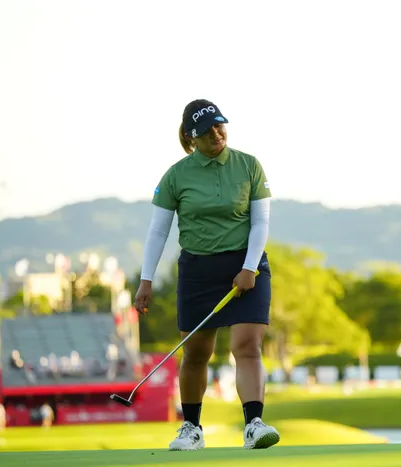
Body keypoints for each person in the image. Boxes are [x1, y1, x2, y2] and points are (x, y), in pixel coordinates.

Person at [134, 98, 279, 451]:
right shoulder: (176, 175)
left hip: (245, 265)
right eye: (206, 130)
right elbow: (158, 231)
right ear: (190, 137)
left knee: (247, 345)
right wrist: (146, 280)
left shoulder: (248, 165)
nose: (216, 134)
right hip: (198, 271)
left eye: (219, 125)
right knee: (196, 353)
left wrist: (249, 268)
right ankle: (192, 428)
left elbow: (261, 222)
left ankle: (254, 424)